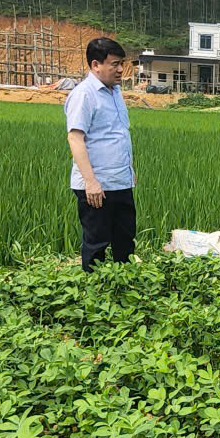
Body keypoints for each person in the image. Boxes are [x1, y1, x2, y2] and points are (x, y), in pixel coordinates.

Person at [65, 38, 136, 272]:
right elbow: (75, 139)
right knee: (97, 244)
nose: (120, 70)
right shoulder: (84, 95)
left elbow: (117, 135)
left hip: (120, 182)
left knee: (125, 241)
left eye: (121, 64)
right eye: (114, 64)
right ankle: (95, 297)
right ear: (96, 65)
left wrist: (129, 171)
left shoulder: (115, 92)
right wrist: (91, 182)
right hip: (97, 186)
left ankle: (123, 290)